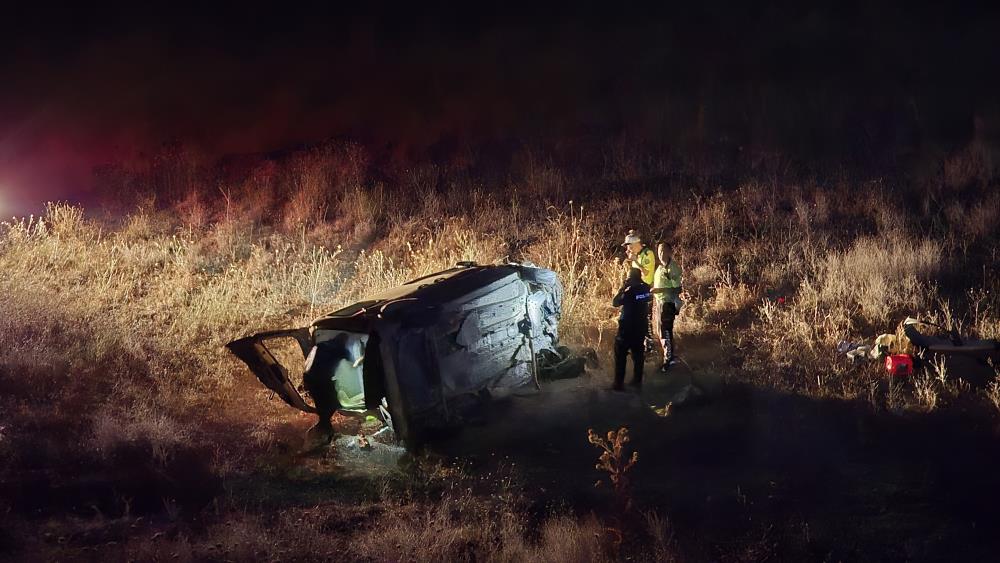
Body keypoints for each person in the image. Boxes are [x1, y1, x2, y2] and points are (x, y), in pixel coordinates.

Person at [612, 267, 652, 390]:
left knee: (620, 354)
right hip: (640, 327)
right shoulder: (646, 288)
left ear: (630, 278)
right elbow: (648, 298)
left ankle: (619, 384)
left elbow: (615, 302)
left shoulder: (629, 291)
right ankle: (637, 381)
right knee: (638, 354)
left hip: (627, 327)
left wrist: (623, 287)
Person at [651, 242, 683, 371]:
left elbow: (677, 289)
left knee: (665, 331)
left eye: (663, 251)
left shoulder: (673, 268)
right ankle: (668, 356)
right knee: (660, 331)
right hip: (659, 303)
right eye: (659, 251)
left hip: (667, 303)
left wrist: (659, 291)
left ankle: (668, 359)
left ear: (670, 252)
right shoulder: (660, 268)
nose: (660, 254)